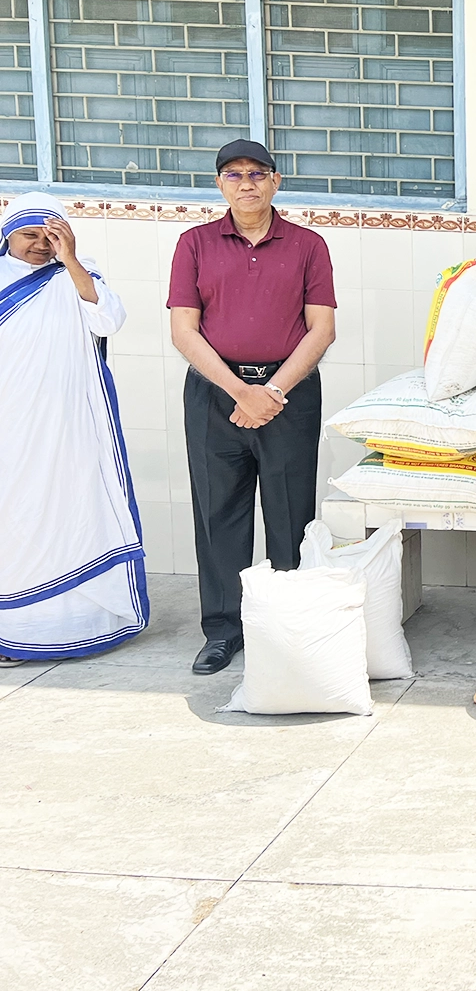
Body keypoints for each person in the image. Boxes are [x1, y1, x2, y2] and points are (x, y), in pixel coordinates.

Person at [168, 140, 336, 675]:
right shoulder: (194, 244)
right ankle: (224, 631)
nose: (247, 183)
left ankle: (286, 626)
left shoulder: (308, 245)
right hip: (215, 394)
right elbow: (183, 331)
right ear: (220, 183)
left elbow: (322, 330)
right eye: (234, 174)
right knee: (219, 513)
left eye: (257, 174)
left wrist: (273, 392)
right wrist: (241, 392)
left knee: (290, 514)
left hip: (290, 393)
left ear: (275, 181)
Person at [0, 193, 147, 664]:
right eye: (29, 235)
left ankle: (67, 625)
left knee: (66, 512)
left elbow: (109, 318)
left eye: (50, 235)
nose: (40, 245)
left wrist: (70, 261)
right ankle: (13, 628)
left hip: (65, 426)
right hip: (10, 426)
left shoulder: (77, 274)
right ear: (7, 236)